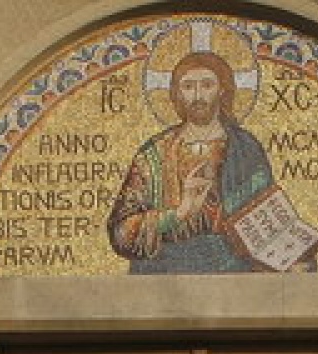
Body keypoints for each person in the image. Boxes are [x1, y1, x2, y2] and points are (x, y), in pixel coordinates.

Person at [107, 50, 277, 273]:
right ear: (177, 93)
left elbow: (271, 218)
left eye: (207, 85)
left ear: (222, 89)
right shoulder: (153, 154)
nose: (198, 96)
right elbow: (120, 233)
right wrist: (179, 214)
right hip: (166, 273)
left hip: (235, 273)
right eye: (188, 87)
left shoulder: (246, 148)